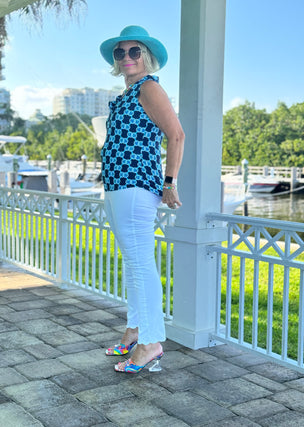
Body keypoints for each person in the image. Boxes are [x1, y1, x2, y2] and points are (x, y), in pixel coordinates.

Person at [100, 25, 184, 373]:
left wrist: (170, 182)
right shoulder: (128, 93)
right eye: (121, 53)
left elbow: (176, 135)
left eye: (134, 52)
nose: (127, 58)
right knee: (131, 264)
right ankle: (134, 331)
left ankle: (151, 342)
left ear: (146, 57)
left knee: (140, 264)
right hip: (118, 185)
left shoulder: (149, 88)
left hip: (136, 186)